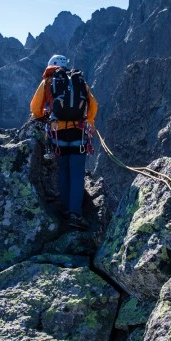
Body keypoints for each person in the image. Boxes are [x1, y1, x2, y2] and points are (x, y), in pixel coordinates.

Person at [30, 54, 98, 230]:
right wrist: (89, 121)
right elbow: (93, 104)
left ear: (50, 66)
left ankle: (67, 210)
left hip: (58, 134)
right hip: (78, 132)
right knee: (76, 172)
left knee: (63, 171)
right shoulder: (77, 80)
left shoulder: (48, 82)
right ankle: (76, 214)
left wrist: (43, 116)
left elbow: (35, 107)